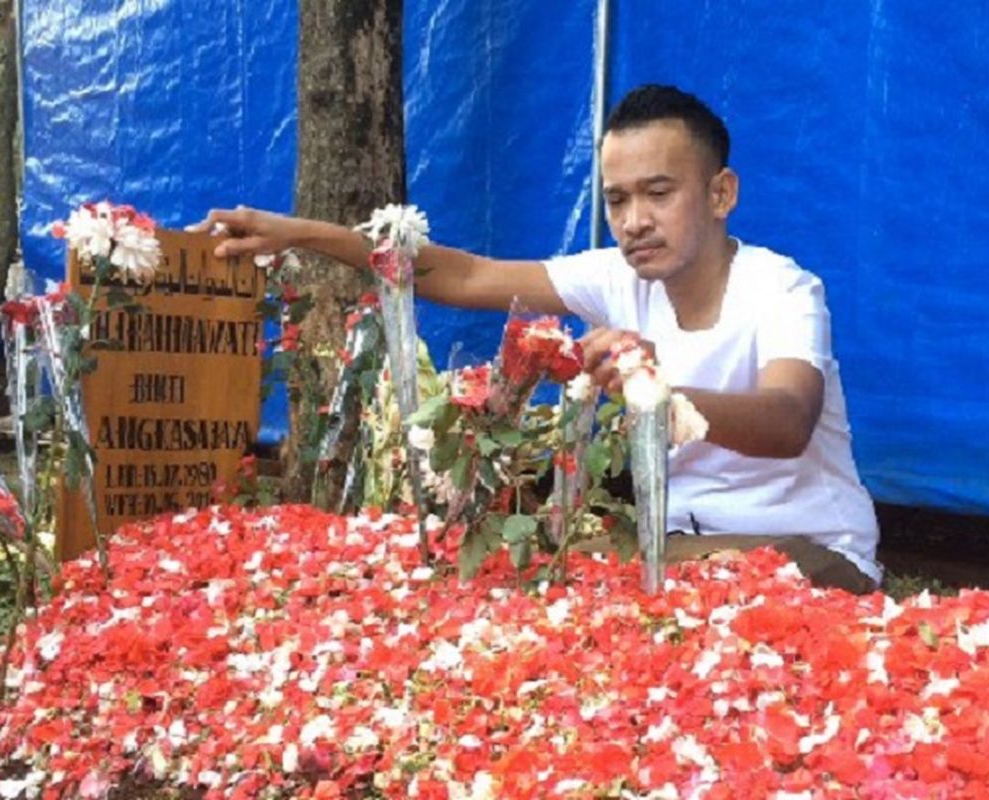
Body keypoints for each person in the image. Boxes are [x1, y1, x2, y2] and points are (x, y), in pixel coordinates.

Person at [194, 84, 881, 593]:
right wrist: (302, 234)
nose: (635, 220)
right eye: (616, 200)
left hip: (809, 551)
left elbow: (789, 421)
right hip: (679, 550)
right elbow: (468, 276)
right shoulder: (617, 277)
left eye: (659, 193)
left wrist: (657, 386)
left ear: (721, 193)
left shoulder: (785, 290)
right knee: (537, 586)